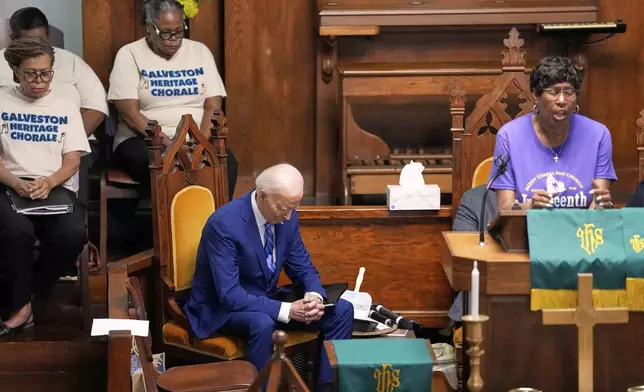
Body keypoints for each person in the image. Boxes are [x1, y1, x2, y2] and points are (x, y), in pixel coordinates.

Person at [184, 163, 353, 389]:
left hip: (266, 299)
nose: (288, 216)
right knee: (261, 323)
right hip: (222, 308)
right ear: (262, 196)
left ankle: (327, 388)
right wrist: (288, 310)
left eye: (294, 207)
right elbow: (230, 295)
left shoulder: (286, 216)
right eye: (283, 208)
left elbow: (302, 267)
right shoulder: (224, 225)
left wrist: (315, 297)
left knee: (342, 310)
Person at [0, 37, 90, 337]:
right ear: (15, 71)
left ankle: (28, 297)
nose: (39, 81)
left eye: (45, 73)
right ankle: (21, 305)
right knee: (16, 232)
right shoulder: (1, 100)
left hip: (54, 184)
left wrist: (49, 181)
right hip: (9, 184)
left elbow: (73, 160)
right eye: (30, 73)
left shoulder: (65, 103)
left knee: (73, 234)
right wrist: (16, 183)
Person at [107, 0, 237, 199]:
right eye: (166, 33)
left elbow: (212, 105)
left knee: (225, 161)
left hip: (195, 139)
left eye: (179, 31)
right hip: (144, 141)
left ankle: (215, 225)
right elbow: (130, 113)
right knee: (168, 163)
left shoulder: (199, 51)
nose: (174, 39)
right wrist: (171, 145)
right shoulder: (130, 54)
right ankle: (172, 227)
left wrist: (199, 143)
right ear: (149, 28)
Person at [488, 56, 616, 211]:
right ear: (536, 95)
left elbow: (598, 201)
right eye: (553, 92)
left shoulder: (598, 135)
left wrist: (601, 205)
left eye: (568, 92)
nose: (562, 100)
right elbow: (505, 209)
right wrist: (529, 206)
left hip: (582, 231)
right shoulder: (509, 136)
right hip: (529, 232)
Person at [0, 7, 108, 138]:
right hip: (13, 145)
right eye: (28, 43)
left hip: (71, 144)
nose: (36, 47)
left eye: (42, 40)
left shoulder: (71, 62)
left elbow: (96, 107)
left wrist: (69, 143)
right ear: (13, 38)